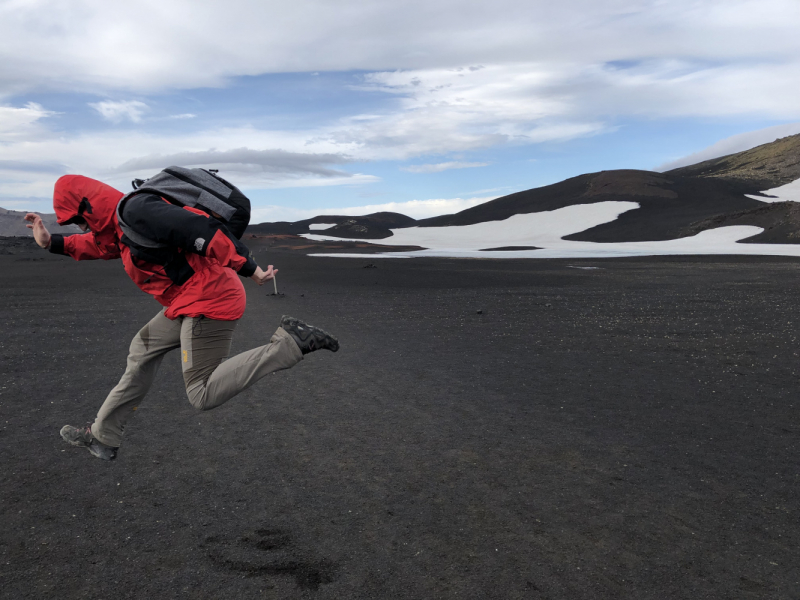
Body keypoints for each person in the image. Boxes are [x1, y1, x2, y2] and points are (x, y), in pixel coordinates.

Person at [25, 174, 339, 461]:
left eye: (79, 219)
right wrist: (49, 242)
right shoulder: (121, 225)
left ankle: (290, 343)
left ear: (89, 206)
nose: (80, 227)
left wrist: (250, 268)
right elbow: (98, 245)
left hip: (211, 299)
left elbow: (199, 229)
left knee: (201, 392)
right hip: (185, 301)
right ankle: (104, 436)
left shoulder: (137, 211)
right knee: (142, 349)